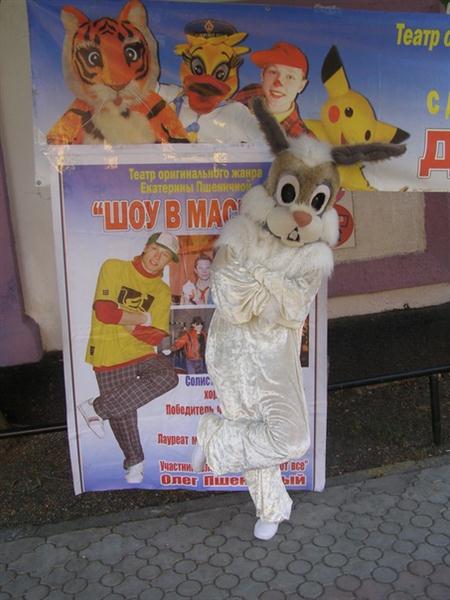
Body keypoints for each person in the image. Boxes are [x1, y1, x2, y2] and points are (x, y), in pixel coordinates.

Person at [78, 232, 180, 485]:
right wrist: (143, 318)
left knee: (167, 376)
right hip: (109, 350)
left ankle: (96, 408)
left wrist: (123, 317)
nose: (157, 257)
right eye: (155, 249)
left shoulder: (162, 291)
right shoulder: (114, 267)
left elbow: (155, 335)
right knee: (124, 411)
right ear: (145, 247)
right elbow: (104, 312)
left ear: (169, 261)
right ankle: (134, 462)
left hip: (142, 351)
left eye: (165, 254)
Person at [235, 41, 311, 138]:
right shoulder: (248, 92)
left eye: (290, 77)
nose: (278, 84)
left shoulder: (303, 140)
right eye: (273, 72)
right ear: (262, 75)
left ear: (301, 86)